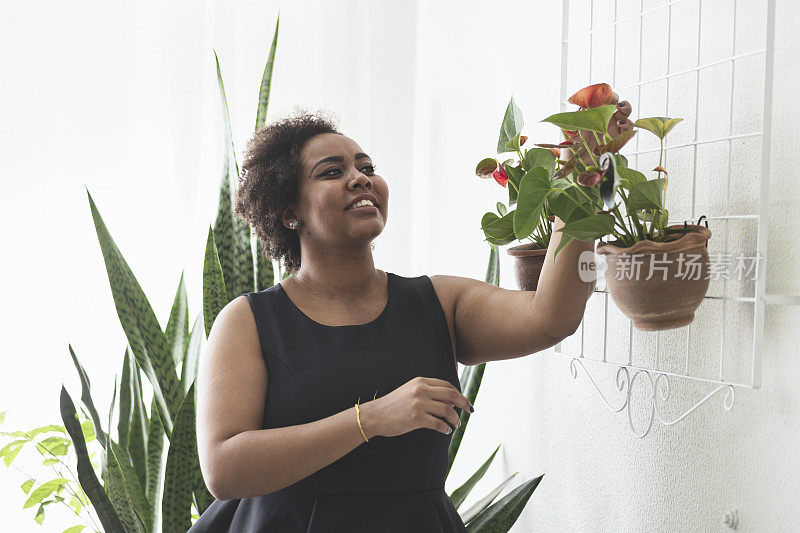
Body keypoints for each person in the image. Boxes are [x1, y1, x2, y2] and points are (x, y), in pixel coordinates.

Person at [188, 108, 596, 532]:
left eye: (368, 168)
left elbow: (553, 316)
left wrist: (581, 186)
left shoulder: (440, 301)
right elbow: (224, 470)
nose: (361, 178)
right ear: (289, 210)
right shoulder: (249, 320)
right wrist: (373, 418)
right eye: (331, 172)